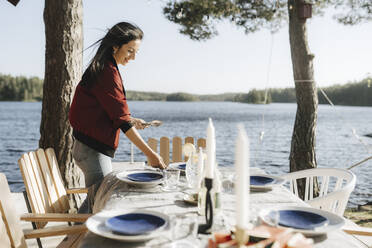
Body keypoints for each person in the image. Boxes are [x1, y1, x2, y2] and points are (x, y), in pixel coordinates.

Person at [69, 22, 166, 213]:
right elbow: (122, 121)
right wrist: (150, 154)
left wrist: (130, 118)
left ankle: (72, 238)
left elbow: (108, 108)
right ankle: (77, 240)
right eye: (130, 51)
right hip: (92, 151)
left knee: (95, 203)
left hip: (89, 148)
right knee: (102, 206)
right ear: (115, 46)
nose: (133, 57)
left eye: (136, 52)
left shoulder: (106, 67)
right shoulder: (106, 72)